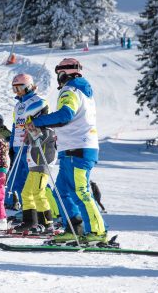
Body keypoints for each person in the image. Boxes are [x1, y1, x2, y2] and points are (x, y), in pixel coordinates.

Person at [31, 58, 107, 243]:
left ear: (64, 74)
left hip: (78, 149)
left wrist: (38, 121)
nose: (58, 78)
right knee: (62, 191)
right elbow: (68, 121)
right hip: (72, 149)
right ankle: (74, 228)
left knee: (80, 191)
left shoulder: (69, 91)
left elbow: (66, 115)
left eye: (59, 74)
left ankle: (97, 232)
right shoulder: (82, 93)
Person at [12, 100, 56, 235]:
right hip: (33, 165)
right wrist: (28, 132)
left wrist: (32, 131)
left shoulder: (47, 130)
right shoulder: (36, 129)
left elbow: (38, 142)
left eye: (30, 119)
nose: (28, 122)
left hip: (42, 165)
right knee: (26, 193)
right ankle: (30, 221)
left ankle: (47, 224)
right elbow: (27, 141)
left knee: (38, 193)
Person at [5, 73, 45, 210]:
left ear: (28, 87)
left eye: (19, 88)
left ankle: (46, 210)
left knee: (33, 181)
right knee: (16, 182)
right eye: (14, 89)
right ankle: (27, 211)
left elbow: (41, 123)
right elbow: (15, 126)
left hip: (30, 146)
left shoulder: (38, 101)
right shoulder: (18, 105)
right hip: (17, 148)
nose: (17, 92)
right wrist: (11, 147)